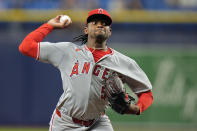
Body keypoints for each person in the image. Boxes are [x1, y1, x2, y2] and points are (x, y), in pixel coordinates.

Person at [19, 8, 153, 131]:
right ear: (86, 30)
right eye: (95, 22)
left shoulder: (124, 62)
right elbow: (26, 47)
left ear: (110, 31)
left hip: (97, 123)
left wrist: (137, 108)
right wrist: (50, 25)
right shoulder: (67, 51)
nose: (100, 25)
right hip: (65, 122)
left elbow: (146, 93)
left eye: (104, 23)